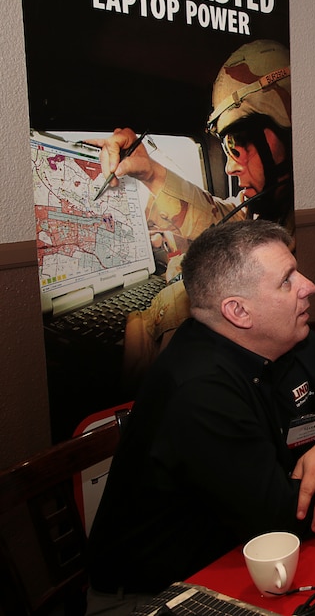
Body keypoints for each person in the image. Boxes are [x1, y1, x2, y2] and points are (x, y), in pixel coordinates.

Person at [87, 220, 315, 612]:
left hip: (238, 556)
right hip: (156, 595)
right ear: (238, 311)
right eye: (287, 280)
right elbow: (284, 525)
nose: (308, 286)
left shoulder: (293, 337)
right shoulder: (198, 390)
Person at [89, 39, 294, 377]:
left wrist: (160, 315)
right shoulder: (275, 207)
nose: (229, 168)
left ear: (280, 130)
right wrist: (151, 172)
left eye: (236, 144)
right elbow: (234, 229)